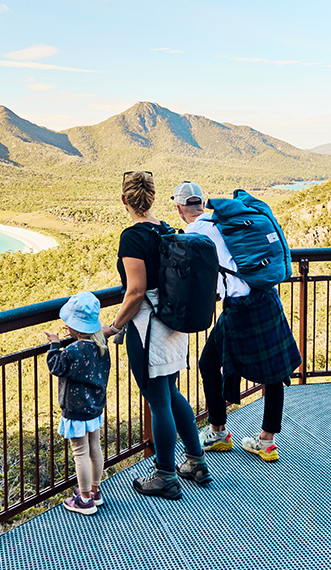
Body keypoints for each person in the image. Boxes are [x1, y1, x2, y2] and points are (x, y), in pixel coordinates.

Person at [101, 171, 212, 501]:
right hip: (174, 321)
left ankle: (165, 476)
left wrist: (114, 327)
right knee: (171, 392)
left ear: (124, 200)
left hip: (148, 326)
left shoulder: (132, 237)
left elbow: (135, 291)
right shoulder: (164, 228)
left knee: (158, 399)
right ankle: (195, 462)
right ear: (152, 198)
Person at [174, 181, 301, 462]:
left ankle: (218, 432)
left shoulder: (195, 231)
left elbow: (196, 278)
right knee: (274, 372)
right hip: (265, 295)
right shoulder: (223, 218)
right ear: (203, 202)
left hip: (239, 307)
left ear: (180, 208)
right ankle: (267, 441)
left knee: (208, 363)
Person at [45, 291, 111, 515]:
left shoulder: (73, 351)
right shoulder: (101, 346)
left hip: (75, 409)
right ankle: (95, 490)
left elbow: (56, 366)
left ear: (73, 328)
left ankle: (84, 500)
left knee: (79, 452)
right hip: (95, 407)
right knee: (94, 448)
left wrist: (55, 344)